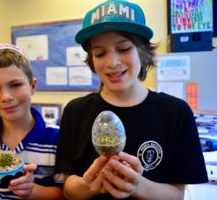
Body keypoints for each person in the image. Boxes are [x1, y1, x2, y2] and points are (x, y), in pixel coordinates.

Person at [55, 0, 208, 199]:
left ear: (143, 52)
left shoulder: (175, 112)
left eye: (124, 48)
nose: (112, 63)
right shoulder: (75, 111)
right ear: (92, 59)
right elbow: (68, 189)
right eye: (100, 53)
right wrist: (87, 185)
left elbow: (177, 195)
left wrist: (137, 186)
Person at [0, 44, 64, 199]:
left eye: (15, 85)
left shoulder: (56, 138)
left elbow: (65, 194)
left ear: (32, 86)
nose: (6, 97)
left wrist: (33, 191)